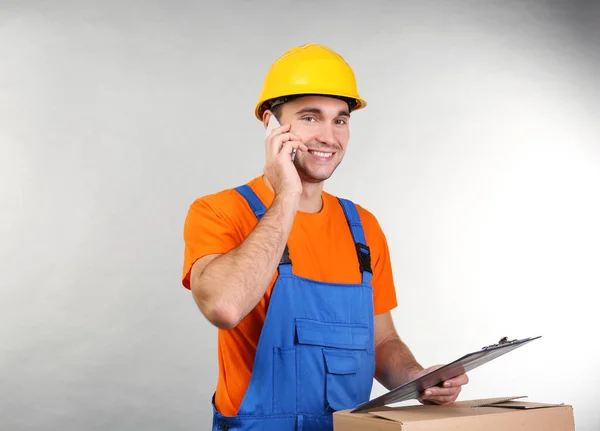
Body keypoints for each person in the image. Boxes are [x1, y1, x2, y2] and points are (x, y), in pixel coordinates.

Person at [181, 43, 469, 431]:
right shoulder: (219, 211)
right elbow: (224, 307)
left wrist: (419, 380)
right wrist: (286, 195)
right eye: (310, 117)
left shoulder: (362, 227)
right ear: (271, 124)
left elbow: (382, 343)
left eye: (340, 120)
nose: (328, 136)